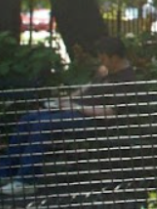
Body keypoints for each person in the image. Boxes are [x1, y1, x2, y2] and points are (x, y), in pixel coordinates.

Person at [0, 35, 136, 193]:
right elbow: (87, 88)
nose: (101, 61)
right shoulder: (105, 70)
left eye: (103, 57)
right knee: (29, 118)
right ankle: (6, 171)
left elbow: (110, 113)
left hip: (95, 120)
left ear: (114, 58)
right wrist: (65, 100)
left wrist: (76, 106)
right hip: (77, 111)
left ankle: (26, 180)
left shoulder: (127, 80)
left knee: (44, 124)